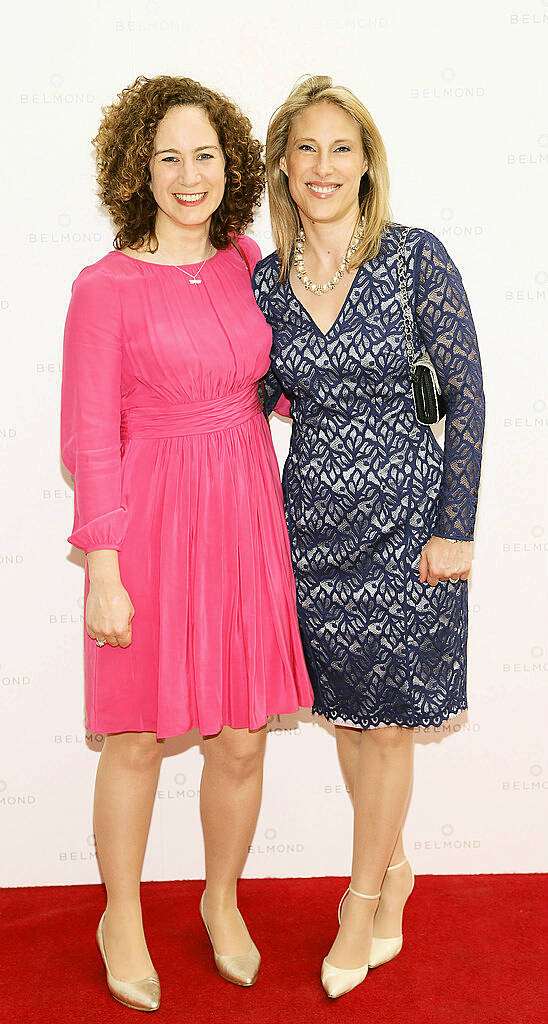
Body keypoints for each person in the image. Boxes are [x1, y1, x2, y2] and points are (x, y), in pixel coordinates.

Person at [61, 74, 312, 1012]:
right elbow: (90, 439)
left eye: (205, 153)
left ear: (230, 164)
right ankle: (119, 912)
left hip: (246, 513)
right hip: (154, 526)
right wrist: (105, 572)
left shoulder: (248, 260)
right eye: (168, 156)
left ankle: (220, 899)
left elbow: (281, 378)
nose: (189, 173)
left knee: (242, 740)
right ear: (139, 169)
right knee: (134, 737)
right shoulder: (106, 287)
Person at [252, 75, 485, 999]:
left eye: (340, 147)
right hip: (311, 528)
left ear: (367, 161)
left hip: (408, 524)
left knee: (388, 724)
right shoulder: (267, 283)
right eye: (305, 148)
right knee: (349, 717)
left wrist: (456, 529)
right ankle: (392, 867)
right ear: (283, 165)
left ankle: (359, 900)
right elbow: (248, 400)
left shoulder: (414, 257)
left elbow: (467, 396)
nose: (323, 166)